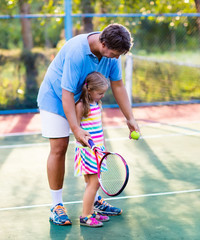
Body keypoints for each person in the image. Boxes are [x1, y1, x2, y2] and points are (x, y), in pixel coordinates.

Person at [37, 23, 140, 226]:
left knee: (91, 152)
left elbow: (118, 85)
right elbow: (66, 93)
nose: (116, 58)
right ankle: (56, 206)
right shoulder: (77, 51)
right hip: (56, 100)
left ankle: (93, 200)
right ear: (103, 43)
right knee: (59, 148)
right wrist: (75, 129)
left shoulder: (111, 54)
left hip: (83, 102)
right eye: (115, 53)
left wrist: (130, 117)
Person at [75, 72, 111, 227]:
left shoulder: (96, 104)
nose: (102, 96)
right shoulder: (81, 106)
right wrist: (90, 145)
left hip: (97, 149)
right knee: (94, 184)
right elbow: (76, 129)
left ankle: (91, 212)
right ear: (89, 90)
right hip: (88, 151)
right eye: (100, 93)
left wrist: (101, 147)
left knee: (92, 183)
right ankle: (85, 216)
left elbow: (97, 128)